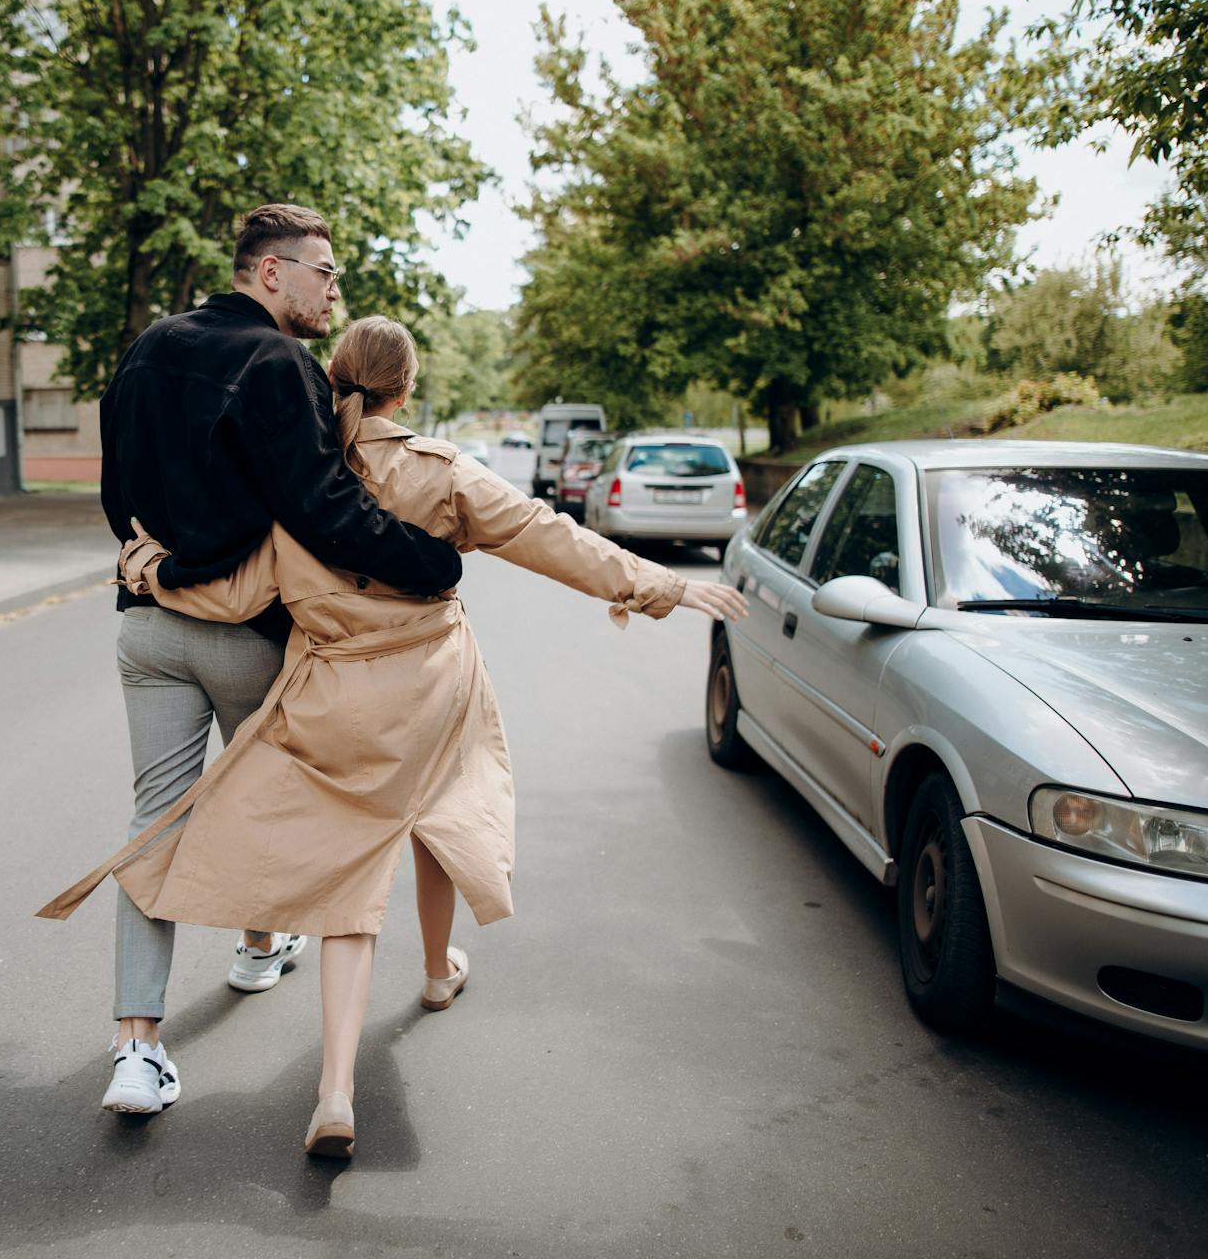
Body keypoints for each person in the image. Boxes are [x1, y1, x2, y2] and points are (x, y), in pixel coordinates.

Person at [41, 316, 747, 1157]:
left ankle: (333, 1089)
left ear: (333, 381)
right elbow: (545, 535)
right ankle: (439, 970)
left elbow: (232, 597)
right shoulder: (443, 472)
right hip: (430, 685)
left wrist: (144, 569)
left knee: (348, 877)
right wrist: (656, 585)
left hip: (333, 693)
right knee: (444, 815)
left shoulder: (297, 485)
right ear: (406, 387)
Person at [86, 206, 465, 1117]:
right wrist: (433, 564)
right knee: (268, 799)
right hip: (249, 637)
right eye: (323, 272)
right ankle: (259, 950)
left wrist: (162, 568)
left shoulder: (144, 351)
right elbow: (324, 509)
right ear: (269, 273)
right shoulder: (278, 366)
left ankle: (137, 1050)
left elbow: (115, 490)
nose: (334, 289)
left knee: (157, 823)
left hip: (146, 629)